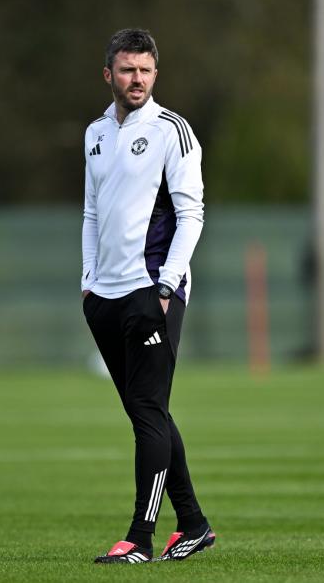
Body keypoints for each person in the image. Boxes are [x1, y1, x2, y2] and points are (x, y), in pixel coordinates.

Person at [81, 28, 215, 564]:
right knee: (148, 412)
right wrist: (88, 280)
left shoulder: (171, 130)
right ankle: (195, 525)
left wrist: (166, 285)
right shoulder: (94, 133)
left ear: (155, 74)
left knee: (147, 411)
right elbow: (91, 212)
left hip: (152, 289)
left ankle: (140, 536)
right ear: (108, 74)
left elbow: (192, 214)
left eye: (145, 70)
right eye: (127, 69)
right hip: (104, 295)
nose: (136, 79)